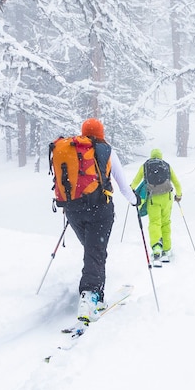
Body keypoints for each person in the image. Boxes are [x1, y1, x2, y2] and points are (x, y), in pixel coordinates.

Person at [65, 118, 137, 322]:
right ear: (101, 133)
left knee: (93, 251)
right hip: (100, 210)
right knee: (96, 253)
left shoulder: (72, 150)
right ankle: (90, 297)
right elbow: (123, 185)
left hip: (73, 210)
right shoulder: (106, 151)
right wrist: (135, 201)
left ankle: (96, 291)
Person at [131, 148, 182, 266]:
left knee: (154, 223)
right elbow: (177, 183)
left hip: (153, 198)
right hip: (167, 198)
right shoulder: (166, 166)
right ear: (160, 156)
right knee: (166, 223)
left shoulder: (145, 166)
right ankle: (167, 249)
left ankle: (156, 249)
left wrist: (131, 191)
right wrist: (178, 195)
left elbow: (135, 181)